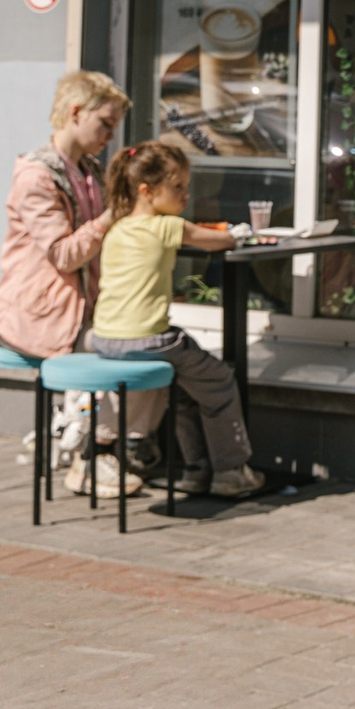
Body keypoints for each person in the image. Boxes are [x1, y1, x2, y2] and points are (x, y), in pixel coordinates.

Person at [0, 70, 140, 498]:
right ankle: (91, 457)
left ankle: (111, 446)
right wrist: (111, 217)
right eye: (105, 124)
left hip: (83, 309)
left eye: (115, 127)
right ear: (76, 112)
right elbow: (64, 254)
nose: (110, 136)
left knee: (146, 342)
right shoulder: (37, 177)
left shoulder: (90, 170)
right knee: (123, 350)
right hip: (39, 315)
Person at [89, 139, 260, 499]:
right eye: (178, 186)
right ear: (147, 191)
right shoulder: (166, 226)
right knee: (219, 381)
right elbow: (219, 241)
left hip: (104, 338)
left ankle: (196, 469)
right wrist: (239, 234)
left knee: (183, 387)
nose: (186, 194)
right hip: (148, 340)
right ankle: (230, 472)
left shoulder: (116, 229)